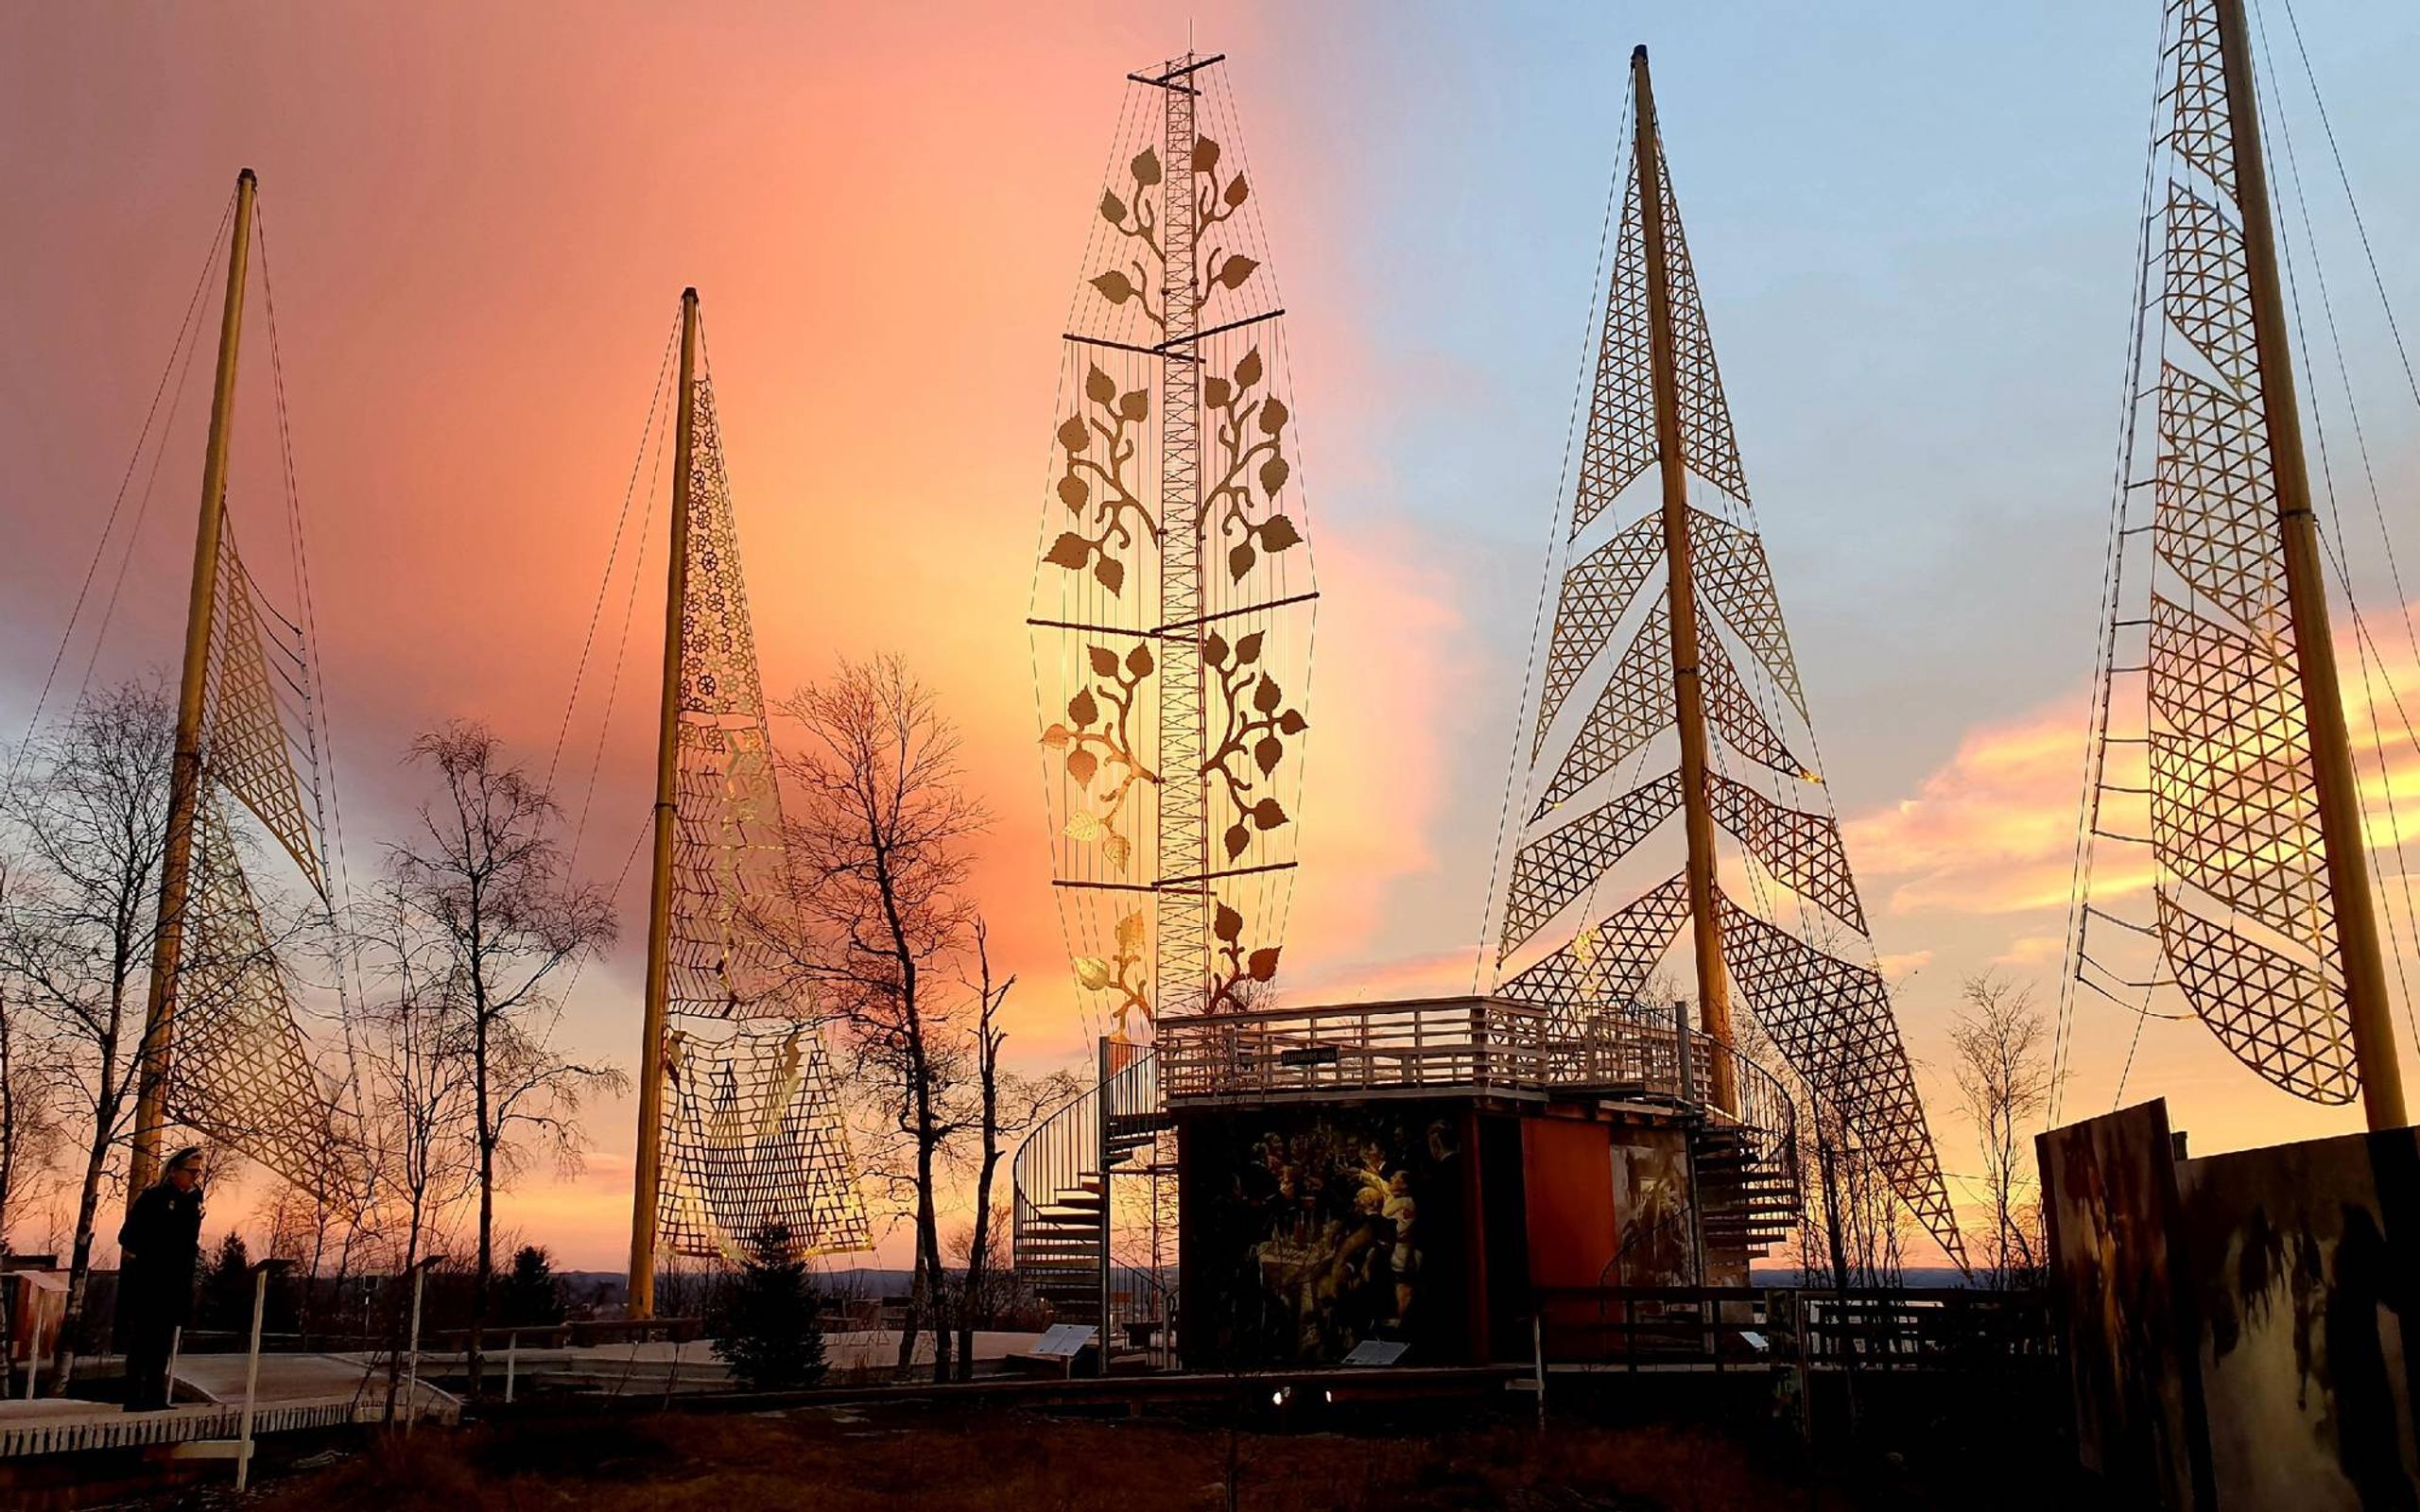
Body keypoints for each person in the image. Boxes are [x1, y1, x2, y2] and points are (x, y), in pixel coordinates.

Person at [116, 1146, 205, 1411]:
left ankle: (155, 1395)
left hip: (176, 1280)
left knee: (163, 1340)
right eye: (190, 1172)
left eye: (197, 1173)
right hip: (151, 1279)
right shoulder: (153, 1198)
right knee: (144, 1337)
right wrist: (157, 1250)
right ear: (174, 1170)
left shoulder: (192, 1201)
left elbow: (189, 1241)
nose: (195, 1178)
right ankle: (134, 1397)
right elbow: (128, 1237)